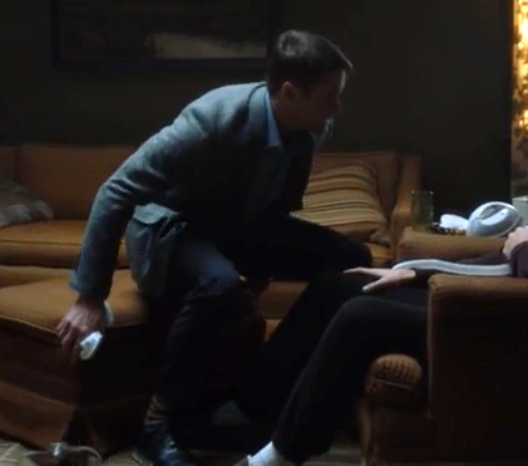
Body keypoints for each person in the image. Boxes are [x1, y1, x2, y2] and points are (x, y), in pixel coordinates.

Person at [222, 96, 528, 466]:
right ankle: (253, 407)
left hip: (495, 318)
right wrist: (410, 270)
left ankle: (283, 453)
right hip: (482, 296)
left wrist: (521, 243)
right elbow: (501, 257)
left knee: (361, 313)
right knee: (335, 285)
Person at [56, 30, 372, 466]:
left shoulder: (311, 125)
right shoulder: (212, 120)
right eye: (328, 96)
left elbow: (277, 205)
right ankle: (157, 425)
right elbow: (116, 191)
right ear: (289, 93)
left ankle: (262, 397)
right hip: (171, 225)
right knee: (219, 283)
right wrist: (90, 296)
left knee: (355, 261)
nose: (337, 107)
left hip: (237, 224)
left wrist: (262, 264)